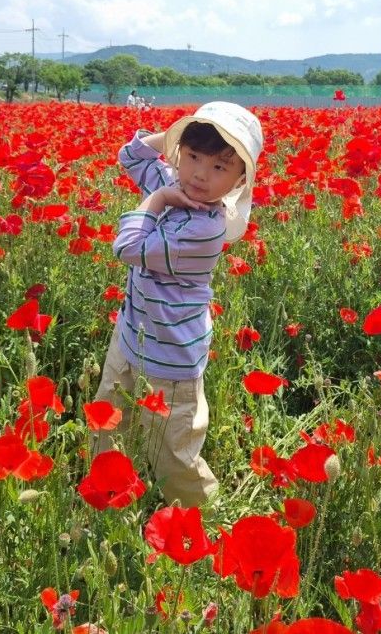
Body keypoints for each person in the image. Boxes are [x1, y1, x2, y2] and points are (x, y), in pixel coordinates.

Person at [92, 101, 263, 507]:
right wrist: (179, 133)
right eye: (193, 156)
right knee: (107, 421)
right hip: (131, 335)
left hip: (171, 359)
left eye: (220, 167)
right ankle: (106, 492)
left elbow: (128, 248)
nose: (200, 174)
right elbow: (130, 155)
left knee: (172, 453)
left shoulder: (205, 228)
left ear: (240, 179)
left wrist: (158, 199)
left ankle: (200, 516)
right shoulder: (175, 179)